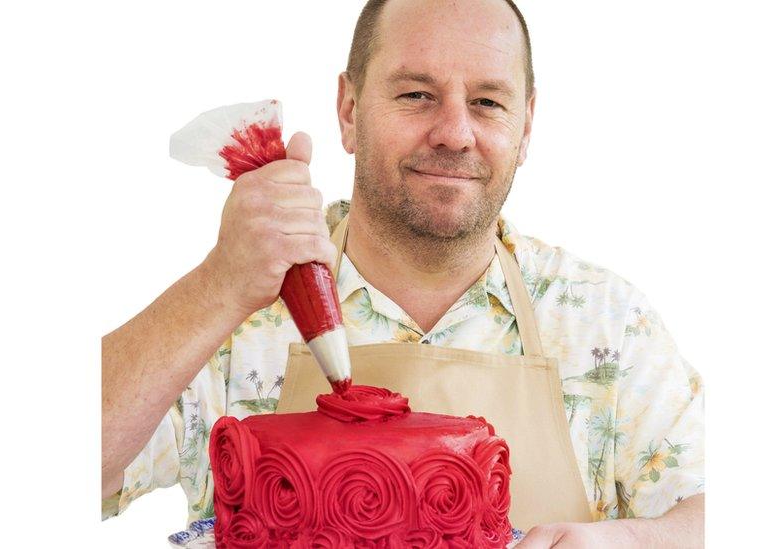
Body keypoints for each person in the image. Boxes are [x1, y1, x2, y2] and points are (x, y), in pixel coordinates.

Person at [102, 0, 705, 546]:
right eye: (416, 94)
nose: (453, 134)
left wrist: (629, 542)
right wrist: (216, 287)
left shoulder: (606, 322)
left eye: (488, 102)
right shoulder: (237, 313)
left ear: (525, 125)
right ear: (348, 109)